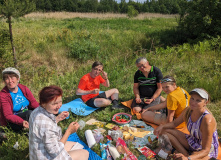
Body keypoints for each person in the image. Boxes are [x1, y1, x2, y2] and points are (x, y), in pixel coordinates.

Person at [154, 88, 219, 160]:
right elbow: (175, 123)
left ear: (205, 103)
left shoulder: (207, 120)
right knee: (163, 131)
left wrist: (188, 158)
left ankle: (179, 153)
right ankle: (184, 153)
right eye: (192, 98)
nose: (193, 102)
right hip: (193, 141)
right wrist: (162, 126)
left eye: (198, 100)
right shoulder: (189, 110)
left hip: (205, 150)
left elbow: (206, 150)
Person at [29, 85, 89, 160]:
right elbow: (54, 152)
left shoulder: (36, 111)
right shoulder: (46, 125)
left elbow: (44, 129)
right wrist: (68, 131)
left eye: (60, 101)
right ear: (44, 104)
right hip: (48, 156)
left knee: (79, 146)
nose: (59, 106)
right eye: (54, 104)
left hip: (37, 155)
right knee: (85, 153)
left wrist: (57, 119)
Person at [0, 67, 39, 132]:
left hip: (26, 114)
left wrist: (44, 109)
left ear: (18, 78)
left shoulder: (23, 88)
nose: (10, 81)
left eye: (12, 78)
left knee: (39, 110)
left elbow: (33, 103)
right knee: (29, 113)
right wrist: (22, 122)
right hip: (13, 121)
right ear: (4, 81)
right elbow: (8, 115)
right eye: (7, 78)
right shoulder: (3, 95)